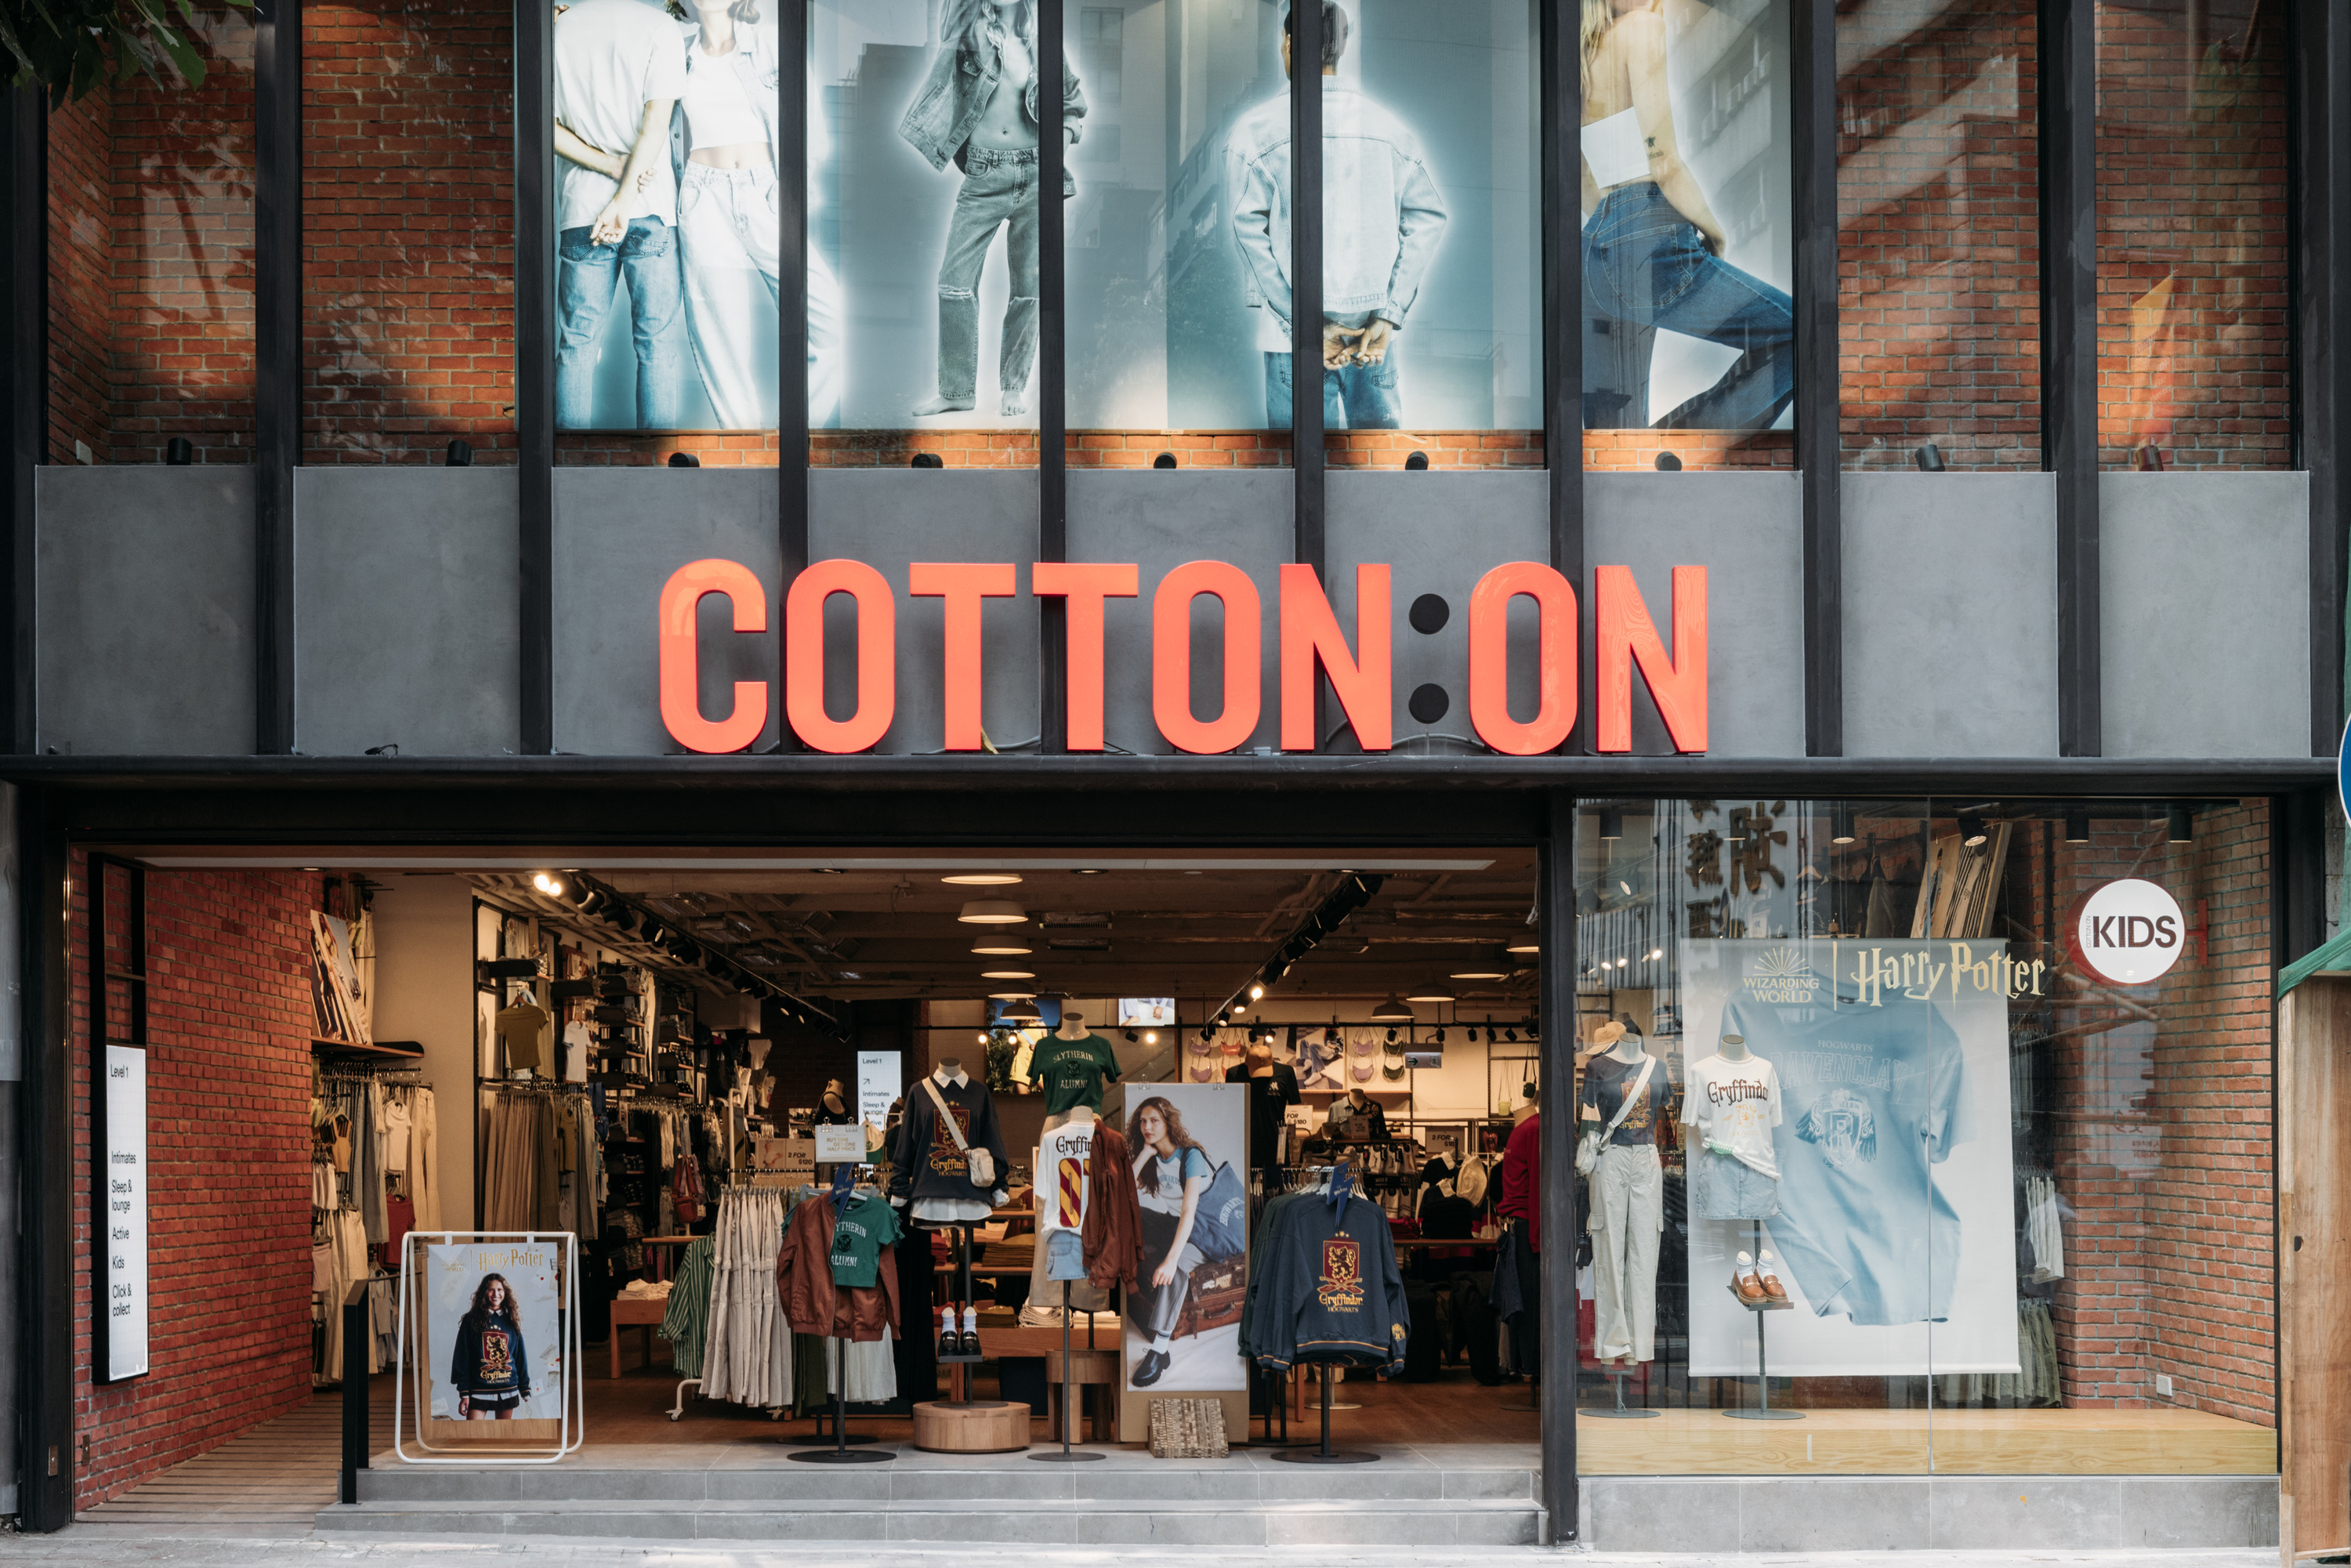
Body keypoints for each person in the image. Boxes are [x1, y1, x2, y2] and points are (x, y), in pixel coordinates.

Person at [1226, 2, 1448, 432]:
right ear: (1341, 48)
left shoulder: (1256, 132)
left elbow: (1246, 231)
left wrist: (1301, 324)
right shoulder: (1391, 129)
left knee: (1298, 478)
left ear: (1289, 44)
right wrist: (1389, 313)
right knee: (1378, 473)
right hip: (1371, 338)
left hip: (1291, 344)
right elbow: (1428, 217)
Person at [1578, 0, 1793, 431]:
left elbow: (1584, 180)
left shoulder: (1578, 60)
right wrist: (1713, 231)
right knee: (1800, 334)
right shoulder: (1642, 29)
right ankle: (1680, 445)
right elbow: (1664, 159)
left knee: (1614, 432)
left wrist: (1614, 224)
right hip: (1647, 229)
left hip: (1594, 251)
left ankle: (1651, 464)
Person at [898, 0, 1085, 418]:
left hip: (1037, 174)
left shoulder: (1043, 43)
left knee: (1029, 288)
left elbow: (1073, 103)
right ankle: (957, 390)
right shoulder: (968, 32)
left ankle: (1013, 389)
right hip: (984, 174)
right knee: (954, 282)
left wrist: (1057, 153)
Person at [675, 0, 844, 430]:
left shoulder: (769, 43)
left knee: (829, 319)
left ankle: (797, 439)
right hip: (703, 199)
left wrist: (790, 192)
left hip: (768, 193)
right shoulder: (674, 50)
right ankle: (746, 450)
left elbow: (812, 130)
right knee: (721, 339)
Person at [553, 0, 690, 430]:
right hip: (648, 209)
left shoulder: (558, 29)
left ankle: (564, 475)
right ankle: (657, 479)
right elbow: (655, 125)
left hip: (582, 208)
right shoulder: (660, 27)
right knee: (657, 347)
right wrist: (624, 199)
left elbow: (544, 124)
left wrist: (608, 169)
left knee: (575, 347)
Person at [1125, 1096, 1234, 1387]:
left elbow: (1189, 1212)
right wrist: (1145, 1155)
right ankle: (1131, 1280)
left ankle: (1159, 1352)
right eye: (1143, 1121)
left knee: (1176, 1268)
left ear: (1168, 1123)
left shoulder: (1191, 1156)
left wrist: (1171, 1259)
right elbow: (1123, 1192)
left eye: (1155, 1121)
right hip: (1178, 1225)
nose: (1147, 1127)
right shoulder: (1155, 1158)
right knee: (1130, 1213)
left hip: (1204, 1230)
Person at [450, 1273, 534, 1419]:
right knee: (474, 1437)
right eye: (491, 1289)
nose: (496, 1294)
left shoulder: (511, 1321)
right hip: (479, 1389)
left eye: (500, 1290)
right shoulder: (471, 1320)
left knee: (502, 1439)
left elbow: (520, 1357)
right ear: (484, 1292)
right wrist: (464, 1393)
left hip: (508, 1389)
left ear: (505, 1292)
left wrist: (525, 1390)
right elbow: (462, 1357)